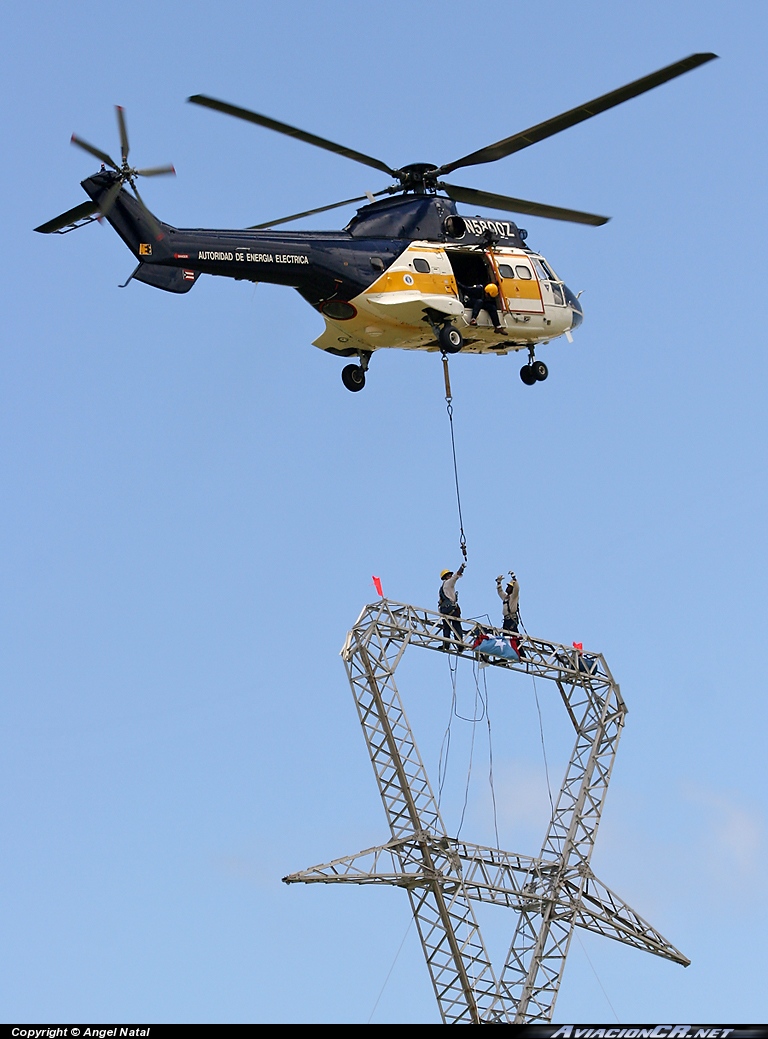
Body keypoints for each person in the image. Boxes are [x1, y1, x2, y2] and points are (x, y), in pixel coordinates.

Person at [439, 563, 466, 647]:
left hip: (445, 610)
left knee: (446, 628)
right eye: (449, 575)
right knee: (457, 627)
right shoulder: (449, 583)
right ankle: (460, 645)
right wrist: (461, 568)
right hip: (451, 608)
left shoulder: (442, 587)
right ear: (446, 577)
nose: (450, 576)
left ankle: (446, 645)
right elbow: (456, 576)